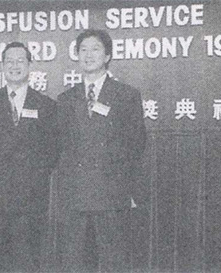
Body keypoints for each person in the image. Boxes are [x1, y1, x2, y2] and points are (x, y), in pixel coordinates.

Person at [56, 29, 147, 272]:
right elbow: (60, 149)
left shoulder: (126, 95)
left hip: (111, 197)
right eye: (83, 49)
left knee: (113, 263)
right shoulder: (65, 99)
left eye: (95, 49)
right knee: (75, 264)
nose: (88, 55)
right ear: (76, 55)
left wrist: (127, 190)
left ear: (107, 56)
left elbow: (136, 146)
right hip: (75, 199)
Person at [0, 42, 58, 272]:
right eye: (9, 61)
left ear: (30, 65)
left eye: (20, 61)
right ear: (2, 66)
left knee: (28, 260)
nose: (15, 66)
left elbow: (51, 152)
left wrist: (29, 178)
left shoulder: (46, 105)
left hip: (31, 199)